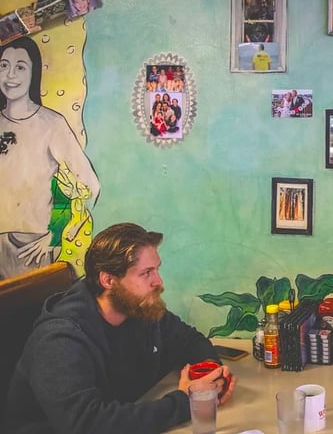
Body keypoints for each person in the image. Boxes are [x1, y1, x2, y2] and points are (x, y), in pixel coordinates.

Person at [3, 222, 235, 433]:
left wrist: (211, 375)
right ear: (108, 280)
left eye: (156, 269)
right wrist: (185, 401)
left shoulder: (138, 307)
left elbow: (188, 340)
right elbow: (88, 424)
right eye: (146, 273)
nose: (159, 282)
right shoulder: (60, 340)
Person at [0, 36, 100, 279]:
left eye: (20, 67)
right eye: (3, 65)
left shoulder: (51, 124)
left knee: (31, 312)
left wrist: (56, 235)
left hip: (31, 247)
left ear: (34, 73)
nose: (10, 75)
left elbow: (89, 185)